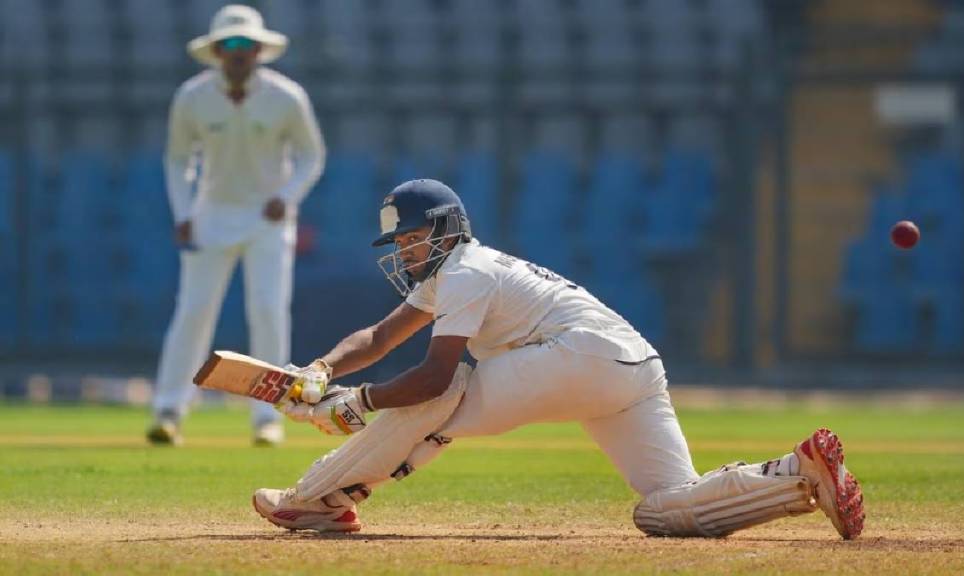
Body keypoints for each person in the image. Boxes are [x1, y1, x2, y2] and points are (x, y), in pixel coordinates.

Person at [250, 179, 865, 538]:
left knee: (439, 399)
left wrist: (357, 404)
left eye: (414, 238)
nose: (407, 252)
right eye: (401, 242)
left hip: (579, 357)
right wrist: (322, 371)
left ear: (446, 229)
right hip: (633, 367)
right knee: (663, 509)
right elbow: (380, 339)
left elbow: (432, 377)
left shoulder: (466, 271)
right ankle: (796, 472)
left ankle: (319, 498)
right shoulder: (452, 275)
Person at [146, 5, 326, 446]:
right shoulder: (192, 96)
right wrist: (184, 213)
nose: (239, 52)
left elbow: (311, 156)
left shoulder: (287, 97)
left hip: (267, 219)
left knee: (266, 311)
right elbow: (176, 158)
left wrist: (286, 198)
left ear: (260, 49)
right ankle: (169, 410)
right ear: (216, 51)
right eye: (230, 44)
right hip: (211, 215)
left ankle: (268, 417)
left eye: (246, 44)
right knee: (193, 312)